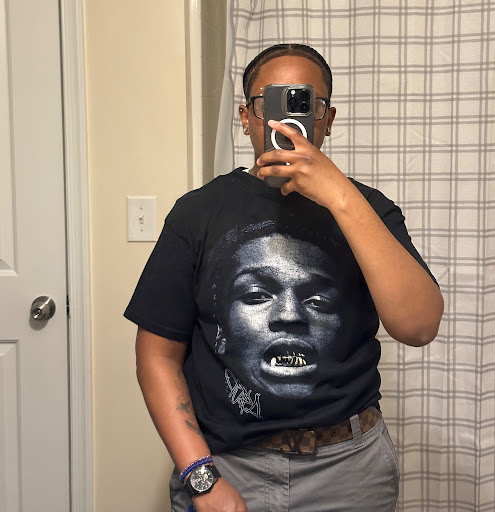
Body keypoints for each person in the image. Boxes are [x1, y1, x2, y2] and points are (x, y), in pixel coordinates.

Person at [125, 44, 444, 512]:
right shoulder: (198, 214)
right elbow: (156, 355)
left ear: (327, 119)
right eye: (269, 102)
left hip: (349, 470)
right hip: (229, 465)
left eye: (305, 103)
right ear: (246, 117)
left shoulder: (369, 209)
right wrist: (201, 477)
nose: (287, 119)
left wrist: (340, 196)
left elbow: (418, 326)